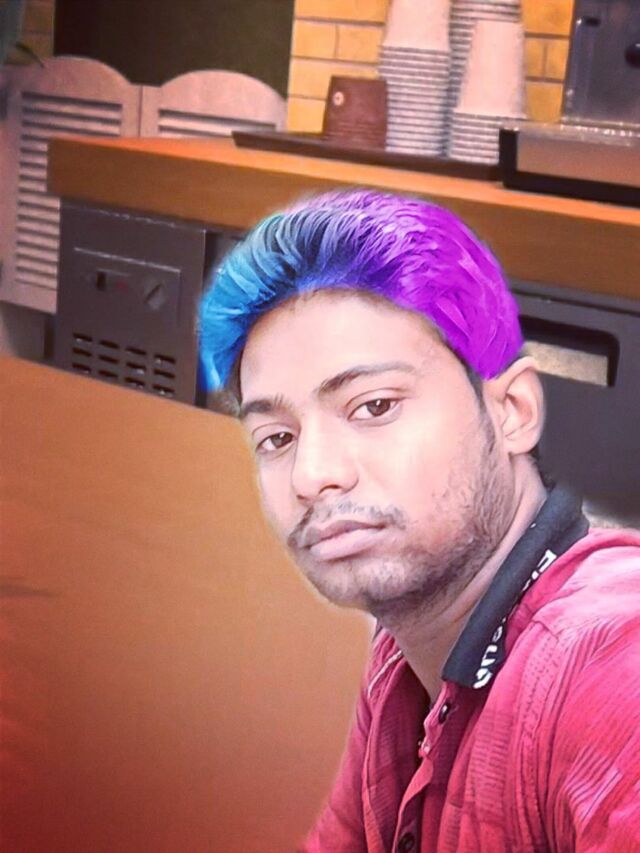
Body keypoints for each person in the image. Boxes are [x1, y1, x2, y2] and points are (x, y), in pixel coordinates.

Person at [198, 189, 640, 852]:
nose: (311, 474)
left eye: (374, 405)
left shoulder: (612, 665)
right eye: (277, 437)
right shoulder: (404, 655)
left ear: (512, 411)